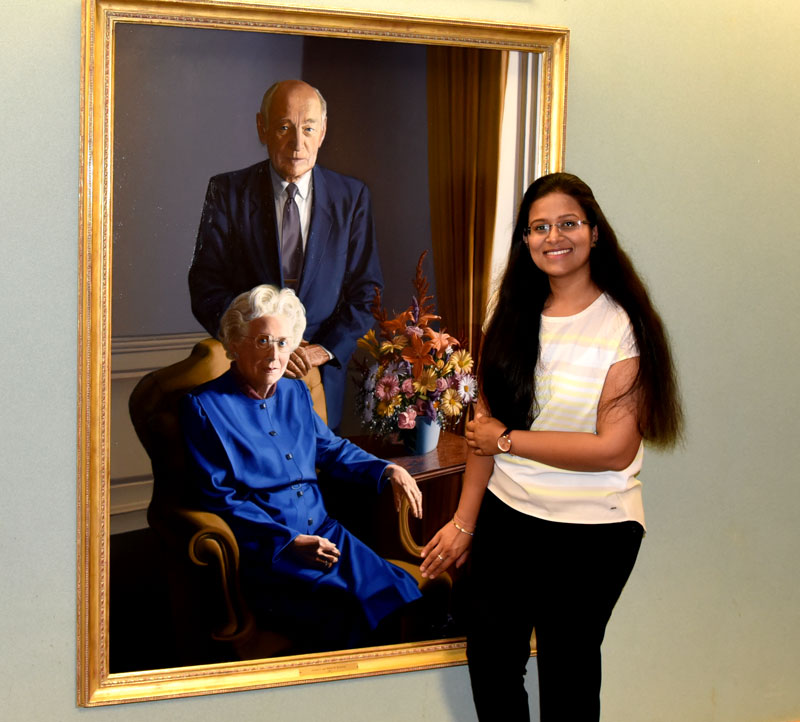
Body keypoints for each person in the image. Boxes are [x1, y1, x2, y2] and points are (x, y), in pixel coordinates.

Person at [419, 173, 683, 720]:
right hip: (509, 513)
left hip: (596, 529)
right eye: (538, 227)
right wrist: (466, 523)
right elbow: (480, 438)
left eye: (567, 223)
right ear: (524, 240)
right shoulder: (510, 322)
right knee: (491, 663)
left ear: (593, 232)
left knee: (567, 678)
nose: (553, 237)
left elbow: (613, 449)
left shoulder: (622, 326)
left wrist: (510, 440)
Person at [180, 285, 423, 651]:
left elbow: (331, 449)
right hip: (272, 552)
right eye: (262, 341)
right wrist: (288, 542)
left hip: (327, 534)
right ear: (235, 344)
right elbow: (221, 500)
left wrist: (388, 469)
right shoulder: (204, 407)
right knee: (348, 610)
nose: (275, 355)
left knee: (399, 592)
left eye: (282, 342)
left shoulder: (295, 392)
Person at [188, 79, 382, 430]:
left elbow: (368, 294)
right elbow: (205, 286)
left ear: (322, 132)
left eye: (308, 129)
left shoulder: (352, 197)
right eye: (283, 128)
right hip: (244, 376)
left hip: (318, 375)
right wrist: (254, 346)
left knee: (314, 474)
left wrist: (321, 350)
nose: (297, 144)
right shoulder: (227, 192)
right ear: (262, 128)